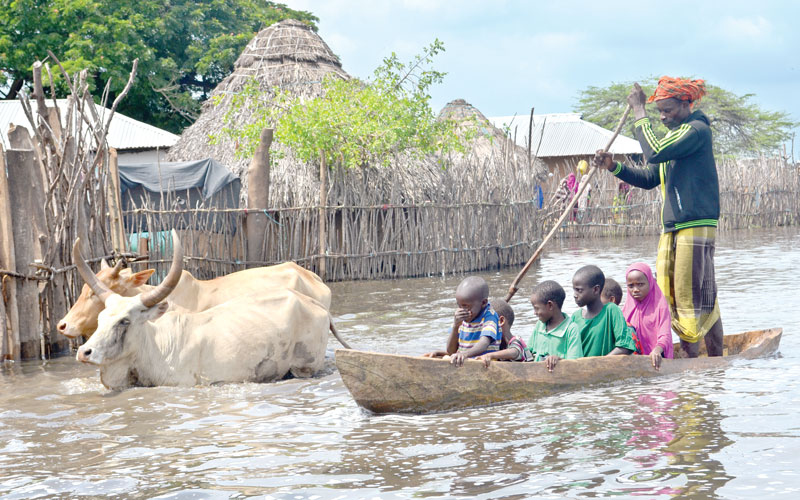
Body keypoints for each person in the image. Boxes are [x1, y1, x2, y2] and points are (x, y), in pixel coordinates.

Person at [594, 76, 723, 358]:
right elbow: (651, 177)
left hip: (693, 224)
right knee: (682, 297)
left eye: (669, 110)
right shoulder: (676, 137)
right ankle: (713, 362)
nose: (663, 117)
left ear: (687, 104)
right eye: (659, 111)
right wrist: (613, 167)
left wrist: (640, 112)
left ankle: (692, 365)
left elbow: (653, 153)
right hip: (675, 226)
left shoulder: (696, 131)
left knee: (688, 300)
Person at [479, 281, 583, 372]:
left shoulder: (571, 329)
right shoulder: (540, 325)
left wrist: (558, 359)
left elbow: (575, 364)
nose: (535, 313)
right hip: (537, 373)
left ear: (550, 305)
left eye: (536, 308)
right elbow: (529, 353)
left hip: (556, 374)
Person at [422, 276, 501, 366]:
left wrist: (464, 354)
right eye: (459, 305)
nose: (461, 310)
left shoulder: (490, 316)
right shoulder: (461, 319)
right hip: (465, 361)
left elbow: (484, 343)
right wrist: (456, 326)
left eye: (466, 306)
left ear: (483, 303)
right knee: (444, 358)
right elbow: (451, 351)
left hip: (482, 363)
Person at [571, 265, 636, 357]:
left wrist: (599, 363)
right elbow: (568, 351)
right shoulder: (575, 317)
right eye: (574, 290)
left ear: (596, 290)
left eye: (579, 290)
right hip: (582, 370)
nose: (575, 295)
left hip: (606, 369)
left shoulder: (611, 311)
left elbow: (625, 346)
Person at [624, 262, 674, 370]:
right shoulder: (627, 308)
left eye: (640, 284)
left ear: (650, 283)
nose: (635, 290)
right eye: (631, 286)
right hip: (635, 360)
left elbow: (665, 334)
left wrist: (657, 349)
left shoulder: (660, 306)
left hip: (658, 357)